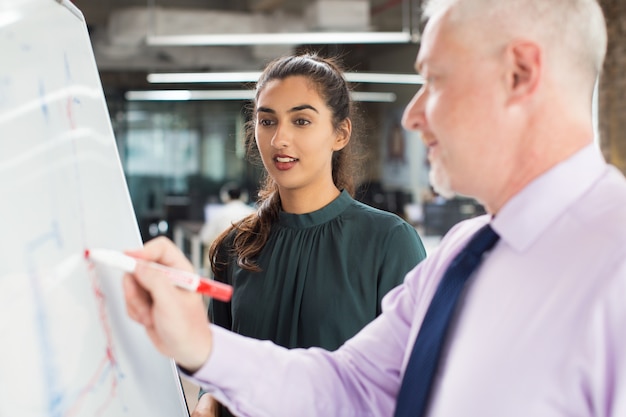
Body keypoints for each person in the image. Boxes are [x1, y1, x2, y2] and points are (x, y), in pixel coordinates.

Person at [123, 0, 626, 416]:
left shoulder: (614, 266)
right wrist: (198, 342)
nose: (411, 115)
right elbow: (349, 387)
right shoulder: (462, 254)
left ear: (519, 74)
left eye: (436, 80)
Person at [192, 53, 427, 416]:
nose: (279, 139)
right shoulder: (234, 246)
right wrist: (207, 398)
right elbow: (218, 364)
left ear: (340, 133)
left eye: (301, 121)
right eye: (267, 121)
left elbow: (414, 379)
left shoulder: (388, 242)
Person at [199, 182, 255, 269]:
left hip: (222, 262)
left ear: (224, 196)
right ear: (244, 196)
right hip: (248, 261)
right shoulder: (252, 213)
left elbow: (205, 238)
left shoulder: (218, 213)